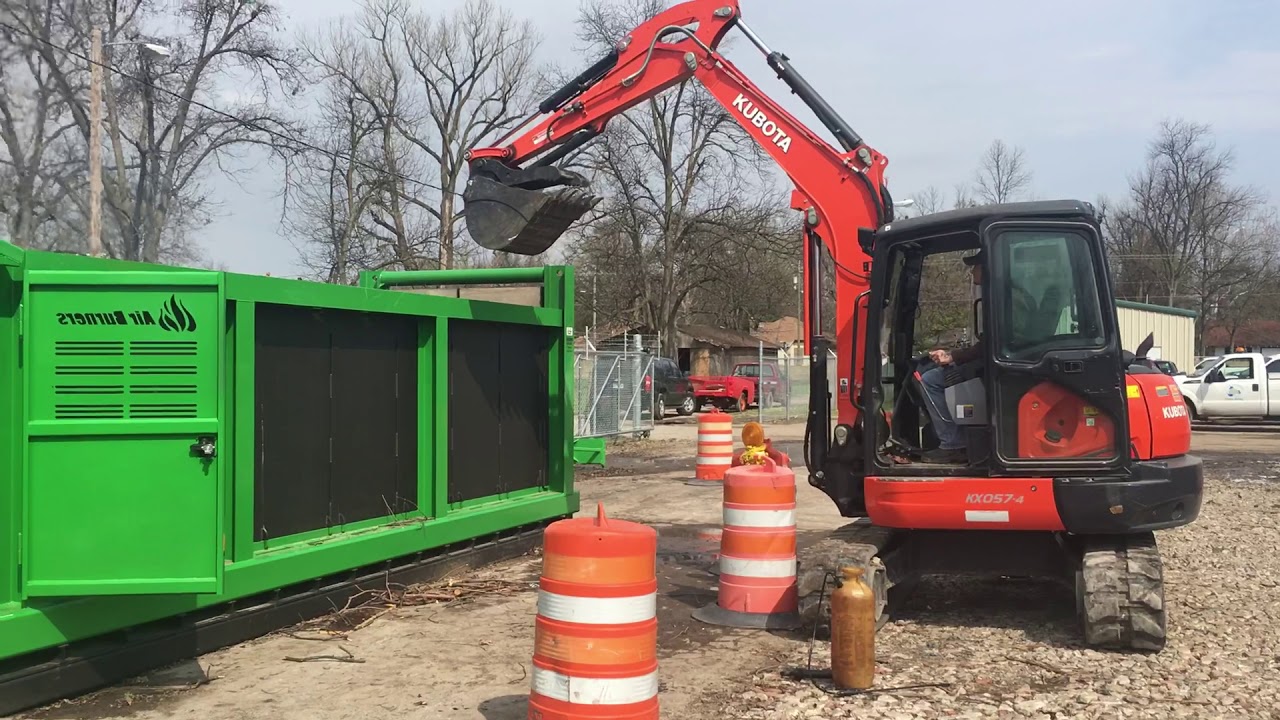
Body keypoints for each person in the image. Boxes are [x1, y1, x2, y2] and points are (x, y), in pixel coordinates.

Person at [918, 250, 984, 464]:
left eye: (975, 266)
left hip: (995, 366)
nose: (972, 271)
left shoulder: (1003, 297)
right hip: (989, 361)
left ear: (987, 268)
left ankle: (954, 444)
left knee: (930, 380)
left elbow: (988, 346)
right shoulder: (1000, 295)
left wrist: (951, 356)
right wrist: (951, 353)